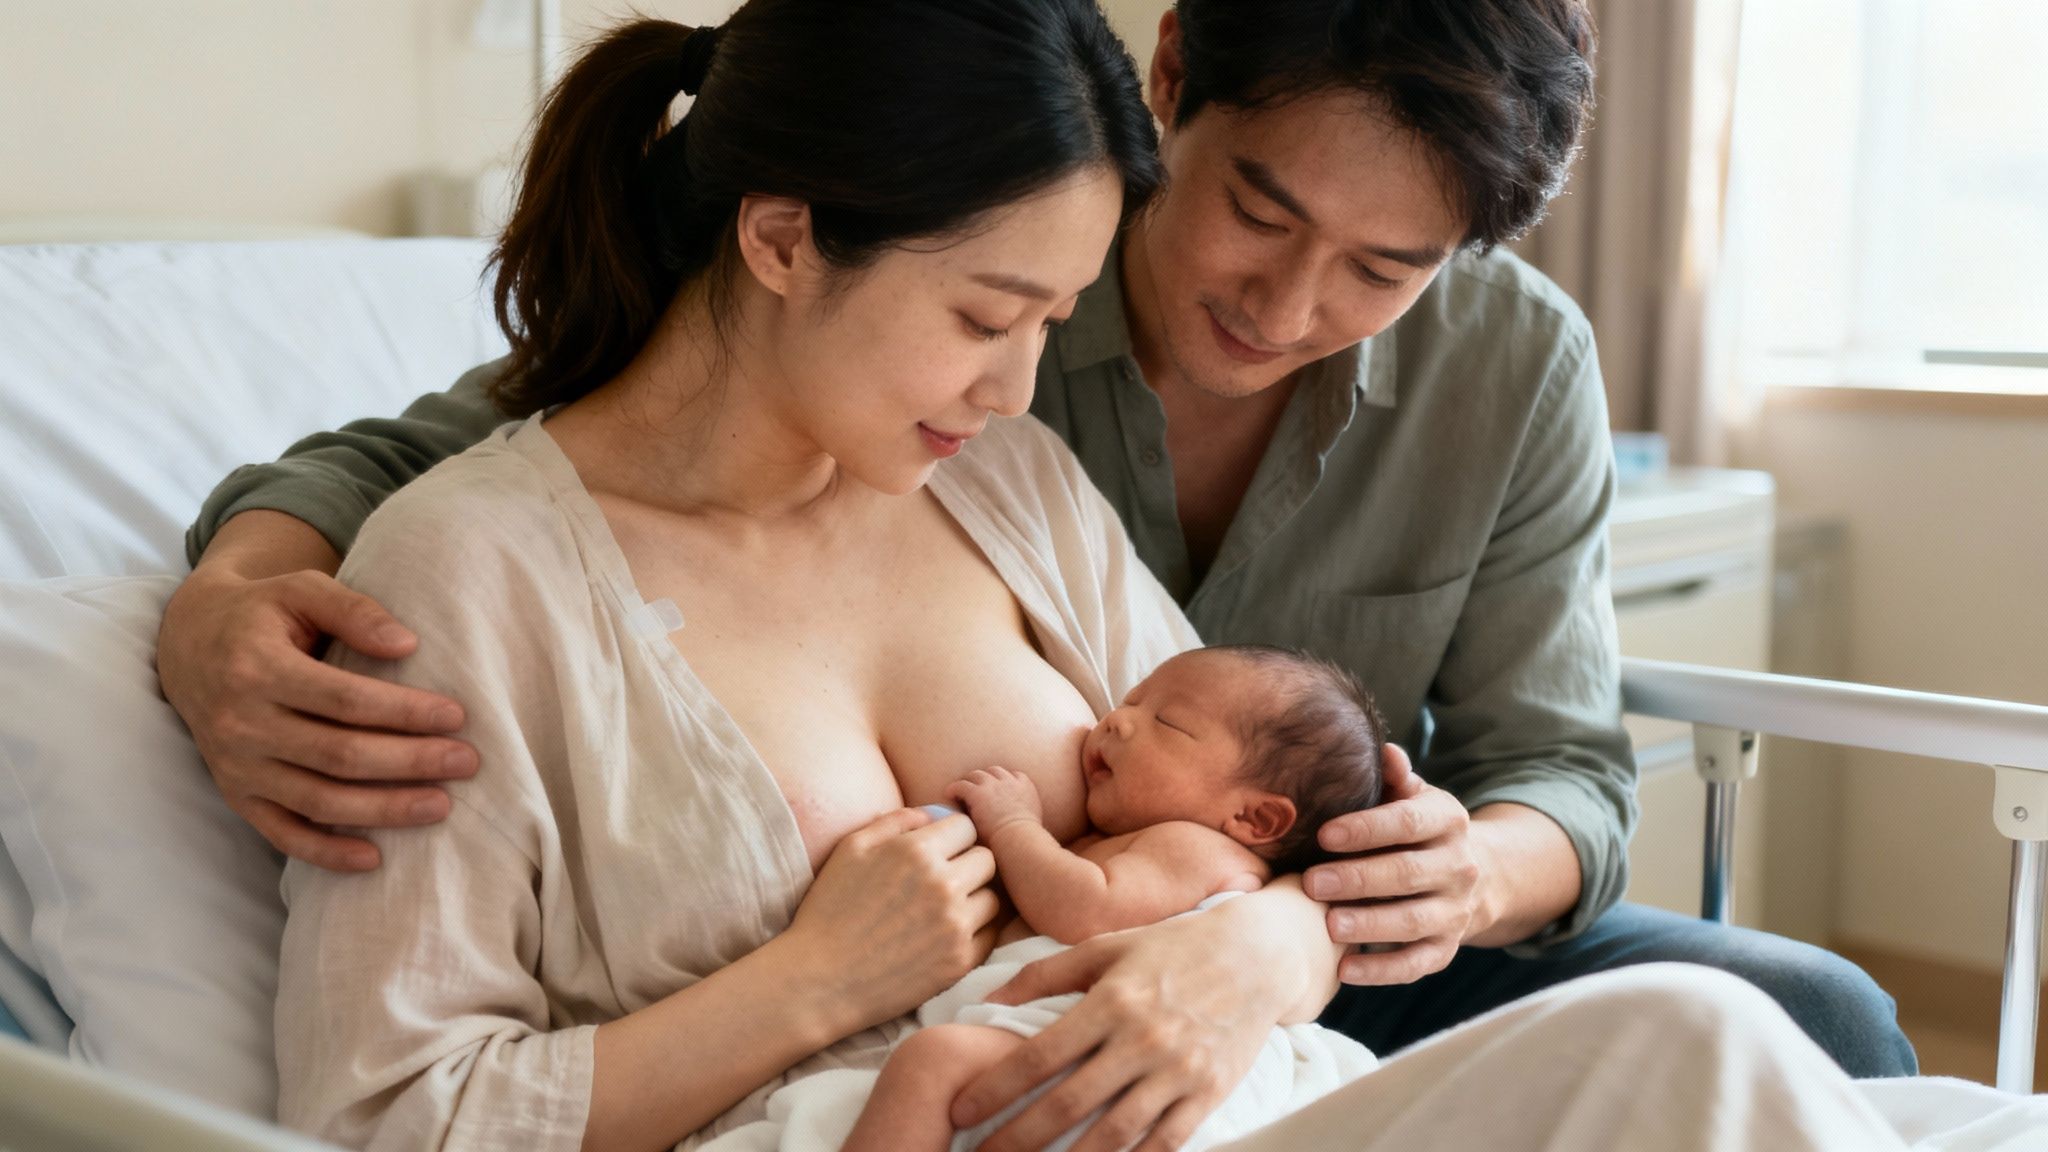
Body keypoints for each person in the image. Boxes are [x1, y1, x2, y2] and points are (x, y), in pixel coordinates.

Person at [158, 0, 1915, 1143]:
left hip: (1252, 1063)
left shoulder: (1001, 481)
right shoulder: (473, 571)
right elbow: (387, 1108)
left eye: (1049, 323)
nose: (1020, 385)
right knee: (1703, 1056)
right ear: (778, 237)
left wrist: (1283, 937)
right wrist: (811, 983)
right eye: (988, 317)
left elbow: (1540, 771)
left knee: (1738, 1033)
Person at [845, 644, 1388, 1152]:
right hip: (1099, 1048)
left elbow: (1087, 908)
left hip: (1129, 1048)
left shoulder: (1199, 850)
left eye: (1167, 723)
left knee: (931, 1066)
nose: (1117, 720)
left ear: (1254, 818)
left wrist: (1013, 824)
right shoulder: (1153, 842)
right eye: (1131, 700)